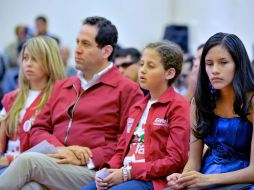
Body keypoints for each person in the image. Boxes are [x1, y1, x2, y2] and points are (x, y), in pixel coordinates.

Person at [0, 16, 143, 190]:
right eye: (77, 42)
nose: (77, 50)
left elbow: (126, 142)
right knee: (30, 187)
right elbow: (37, 129)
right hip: (56, 160)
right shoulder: (62, 86)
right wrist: (61, 150)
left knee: (27, 162)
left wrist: (88, 157)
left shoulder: (127, 89)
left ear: (106, 51)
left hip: (92, 170)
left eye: (86, 44)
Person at [82, 41, 190, 190]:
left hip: (153, 180)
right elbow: (121, 150)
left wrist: (129, 172)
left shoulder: (178, 105)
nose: (142, 71)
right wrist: (108, 169)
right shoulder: (137, 106)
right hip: (125, 175)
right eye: (141, 64)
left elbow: (175, 160)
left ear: (169, 73)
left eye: (150, 66)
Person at [167, 32, 254, 189]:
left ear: (238, 64)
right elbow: (194, 161)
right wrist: (183, 178)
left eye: (223, 62)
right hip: (205, 178)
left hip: (242, 183)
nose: (214, 70)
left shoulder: (252, 103)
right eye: (209, 63)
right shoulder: (200, 102)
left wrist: (208, 179)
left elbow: (253, 171)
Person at [0, 36, 65, 174]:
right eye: (25, 58)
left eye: (35, 59)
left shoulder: (59, 97)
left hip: (34, 168)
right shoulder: (11, 97)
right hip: (5, 163)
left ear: (50, 62)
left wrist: (12, 159)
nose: (28, 64)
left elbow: (55, 148)